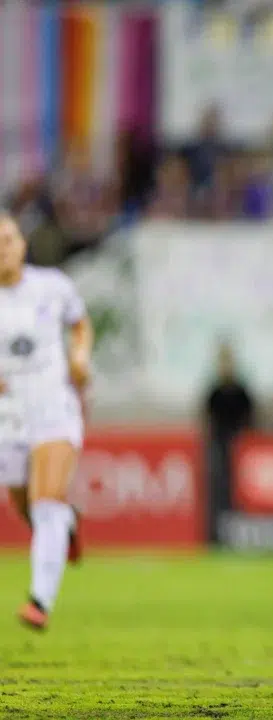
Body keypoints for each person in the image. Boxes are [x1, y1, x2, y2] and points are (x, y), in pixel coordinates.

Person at [0, 212, 94, 631]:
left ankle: (40, 600)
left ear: (22, 244)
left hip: (53, 405)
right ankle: (67, 524)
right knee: (24, 504)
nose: (3, 248)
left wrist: (80, 358)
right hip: (9, 415)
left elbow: (80, 325)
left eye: (8, 239)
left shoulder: (53, 286)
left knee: (46, 501)